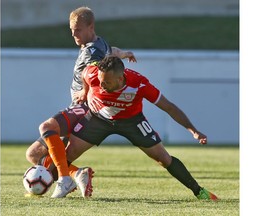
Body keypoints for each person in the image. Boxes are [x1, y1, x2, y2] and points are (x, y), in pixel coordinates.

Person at [53, 55, 218, 200]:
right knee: (68, 154)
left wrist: (193, 130)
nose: (102, 85)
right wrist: (84, 91)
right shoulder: (93, 73)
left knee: (163, 158)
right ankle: (46, 182)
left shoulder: (139, 84)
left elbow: (169, 107)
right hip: (99, 118)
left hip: (131, 121)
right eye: (100, 81)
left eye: (107, 83)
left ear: (120, 79)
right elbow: (85, 75)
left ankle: (199, 191)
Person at [25, 6, 137, 198]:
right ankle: (77, 173)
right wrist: (126, 53)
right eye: (71, 30)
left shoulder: (92, 52)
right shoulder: (100, 44)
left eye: (77, 30)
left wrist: (85, 92)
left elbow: (95, 75)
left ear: (90, 27)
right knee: (35, 155)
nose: (73, 34)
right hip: (80, 107)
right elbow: (113, 52)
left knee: (47, 127)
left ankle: (65, 179)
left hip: (84, 108)